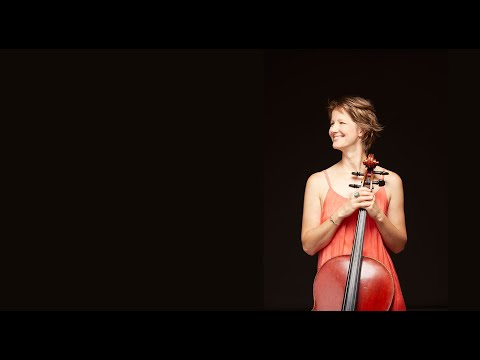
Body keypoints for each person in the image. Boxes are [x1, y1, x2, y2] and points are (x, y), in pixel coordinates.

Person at [300, 95, 407, 311]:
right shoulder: (318, 181)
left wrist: (377, 214)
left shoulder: (391, 181)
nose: (333, 129)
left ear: (362, 130)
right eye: (331, 123)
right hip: (333, 290)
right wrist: (341, 212)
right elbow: (309, 245)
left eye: (341, 122)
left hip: (379, 288)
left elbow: (398, 245)